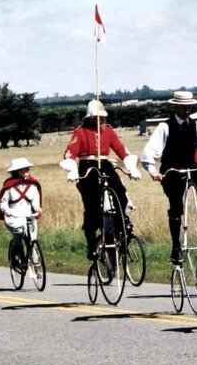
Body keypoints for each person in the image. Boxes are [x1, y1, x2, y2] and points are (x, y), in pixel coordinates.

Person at [140, 91, 197, 264]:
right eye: (183, 107)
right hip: (172, 170)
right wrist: (152, 170)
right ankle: (176, 246)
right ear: (175, 107)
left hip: (191, 168)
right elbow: (150, 151)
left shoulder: (196, 126)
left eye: (189, 107)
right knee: (176, 204)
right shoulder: (165, 127)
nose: (186, 110)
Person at [59, 99, 141, 261]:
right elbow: (70, 153)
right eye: (97, 118)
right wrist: (73, 169)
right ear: (89, 118)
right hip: (87, 165)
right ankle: (91, 242)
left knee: (120, 192)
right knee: (92, 206)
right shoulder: (80, 132)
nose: (100, 121)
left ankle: (120, 227)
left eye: (102, 117)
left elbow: (121, 149)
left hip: (104, 163)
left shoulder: (108, 131)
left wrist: (131, 167)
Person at [0, 158, 43, 268]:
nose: (28, 169)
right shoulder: (9, 186)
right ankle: (15, 252)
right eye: (25, 168)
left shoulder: (33, 184)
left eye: (28, 168)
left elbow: (35, 199)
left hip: (28, 214)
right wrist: (7, 212)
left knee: (32, 237)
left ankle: (35, 260)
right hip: (14, 216)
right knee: (19, 232)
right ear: (18, 171)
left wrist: (37, 209)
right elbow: (3, 202)